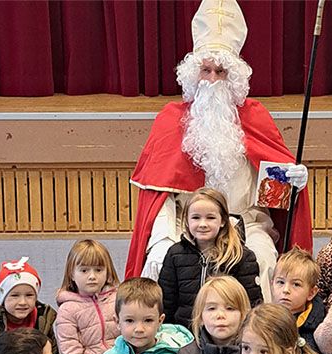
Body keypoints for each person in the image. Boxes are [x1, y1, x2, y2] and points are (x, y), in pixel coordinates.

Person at [125, 0, 313, 302]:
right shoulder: (171, 119)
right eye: (206, 70)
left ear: (234, 76)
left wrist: (291, 183)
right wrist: (161, 241)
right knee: (160, 257)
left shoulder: (255, 117)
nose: (212, 80)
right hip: (185, 227)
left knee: (263, 258)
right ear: (193, 73)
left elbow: (271, 197)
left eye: (221, 71)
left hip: (246, 222)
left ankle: (259, 339)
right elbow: (159, 201)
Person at [159, 188, 263, 328]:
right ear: (187, 221)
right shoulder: (175, 254)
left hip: (227, 335)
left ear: (223, 221)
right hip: (184, 335)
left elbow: (252, 305)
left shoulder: (241, 256)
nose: (203, 224)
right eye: (196, 217)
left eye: (210, 218)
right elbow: (166, 302)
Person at [55, 239, 120, 354]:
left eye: (98, 270)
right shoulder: (67, 310)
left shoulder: (119, 299)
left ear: (108, 271)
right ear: (72, 273)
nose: (92, 276)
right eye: (84, 271)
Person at [272, 247, 327, 354]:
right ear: (271, 284)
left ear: (311, 293)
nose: (286, 290)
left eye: (296, 284)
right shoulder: (265, 319)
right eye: (280, 282)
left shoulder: (318, 327)